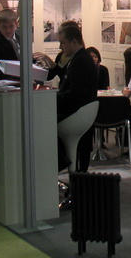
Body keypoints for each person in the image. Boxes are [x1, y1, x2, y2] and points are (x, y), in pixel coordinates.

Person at [54, 25, 98, 176]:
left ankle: (60, 163)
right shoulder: (78, 59)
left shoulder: (80, 61)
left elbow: (76, 94)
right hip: (78, 110)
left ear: (73, 42)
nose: (60, 47)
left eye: (63, 42)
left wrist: (53, 99)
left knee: (43, 125)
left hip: (76, 113)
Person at [0, 9, 21, 79]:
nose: (8, 30)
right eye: (4, 27)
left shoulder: (22, 36)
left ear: (16, 24)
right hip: (9, 79)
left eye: (11, 26)